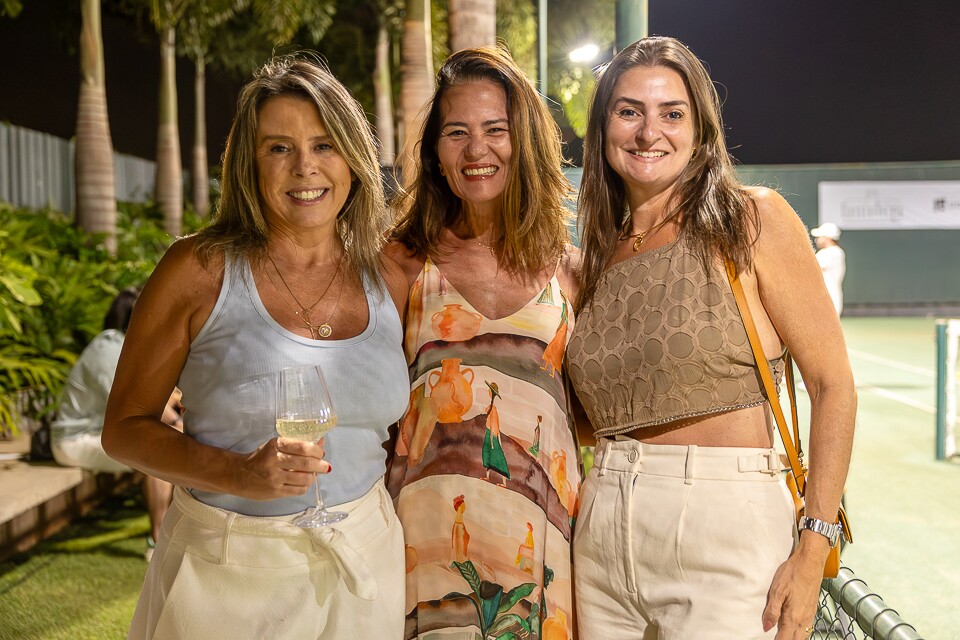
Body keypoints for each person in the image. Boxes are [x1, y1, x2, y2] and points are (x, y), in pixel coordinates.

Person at [101, 53, 410, 639]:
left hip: (364, 570)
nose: (304, 168)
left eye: (324, 145)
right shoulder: (198, 270)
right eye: (278, 148)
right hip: (226, 578)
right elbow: (123, 428)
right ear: (249, 161)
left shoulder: (389, 275)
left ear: (354, 157)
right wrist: (239, 473)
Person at [566, 37, 856, 640]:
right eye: (629, 111)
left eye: (672, 113)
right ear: (602, 130)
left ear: (700, 130)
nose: (650, 132)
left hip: (724, 532)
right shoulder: (597, 257)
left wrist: (813, 545)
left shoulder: (753, 220)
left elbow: (833, 385)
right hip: (600, 529)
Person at [385, 46, 581, 640]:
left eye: (496, 130)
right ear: (434, 154)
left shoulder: (570, 271)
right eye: (456, 133)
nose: (477, 150)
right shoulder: (402, 263)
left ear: (522, 142)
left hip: (540, 546)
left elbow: (594, 415)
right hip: (425, 546)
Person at [50, 287, 181, 559]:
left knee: (167, 441)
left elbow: (159, 395)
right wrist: (178, 420)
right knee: (155, 454)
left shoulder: (118, 346)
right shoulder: (108, 350)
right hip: (74, 441)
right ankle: (157, 541)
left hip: (94, 434)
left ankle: (170, 531)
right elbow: (141, 404)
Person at [810, 222, 846, 315]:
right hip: (821, 298)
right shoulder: (825, 252)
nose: (817, 240)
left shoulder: (834, 252)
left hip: (830, 298)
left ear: (828, 238)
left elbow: (812, 267)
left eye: (820, 237)